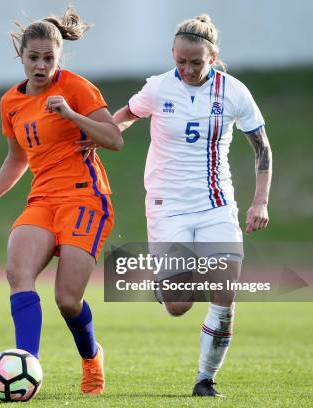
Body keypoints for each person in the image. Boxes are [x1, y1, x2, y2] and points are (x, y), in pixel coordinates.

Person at [0, 7, 122, 395]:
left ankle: (92, 358)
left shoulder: (76, 88)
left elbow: (114, 139)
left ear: (59, 58)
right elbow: (17, 157)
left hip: (85, 199)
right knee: (17, 273)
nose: (40, 66)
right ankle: (28, 365)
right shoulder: (11, 101)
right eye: (33, 58)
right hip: (42, 198)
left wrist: (74, 114)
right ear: (21, 57)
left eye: (48, 59)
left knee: (67, 300)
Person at [113, 14, 273, 397]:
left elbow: (262, 148)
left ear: (213, 56)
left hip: (217, 203)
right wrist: (97, 135)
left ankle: (205, 379)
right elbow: (123, 117)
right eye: (180, 61)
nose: (186, 69)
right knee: (178, 304)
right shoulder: (157, 88)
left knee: (224, 294)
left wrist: (260, 201)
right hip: (167, 204)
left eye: (196, 62)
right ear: (172, 54)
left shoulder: (234, 92)